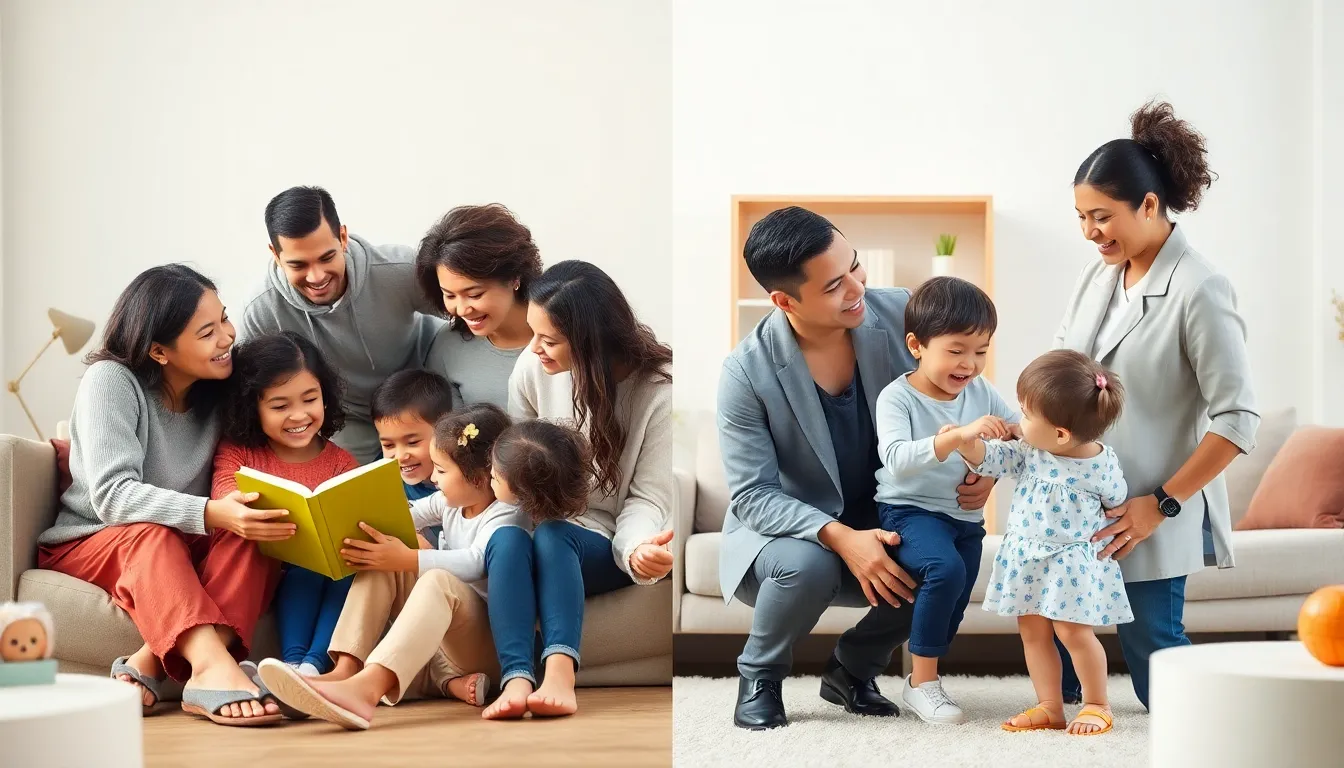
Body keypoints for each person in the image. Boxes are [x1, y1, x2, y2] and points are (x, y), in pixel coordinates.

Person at [716, 206, 995, 730]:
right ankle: (760, 675)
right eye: (834, 285)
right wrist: (841, 537)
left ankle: (853, 669)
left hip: (892, 515)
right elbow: (753, 496)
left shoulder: (903, 314)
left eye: (855, 265)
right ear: (784, 301)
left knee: (942, 561)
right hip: (789, 540)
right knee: (810, 564)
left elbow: (968, 394)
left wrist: (988, 471)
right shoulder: (746, 372)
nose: (857, 288)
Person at [1054, 101, 1259, 709]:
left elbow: (1237, 419)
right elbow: (1061, 375)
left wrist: (1161, 504)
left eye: (1102, 217)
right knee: (1057, 655)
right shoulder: (1097, 276)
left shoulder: (1200, 287)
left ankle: (1229, 728)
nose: (1090, 232)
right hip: (1074, 501)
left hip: (1147, 506)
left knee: (1157, 668)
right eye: (1081, 217)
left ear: (1148, 205)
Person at [36, 265, 291, 726]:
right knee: (154, 535)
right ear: (159, 351)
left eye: (224, 319)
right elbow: (113, 496)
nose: (228, 337)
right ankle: (212, 666)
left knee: (256, 534)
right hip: (95, 538)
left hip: (181, 542)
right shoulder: (111, 380)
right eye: (207, 333)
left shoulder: (221, 387)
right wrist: (212, 513)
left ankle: (150, 662)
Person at [483, 260, 674, 720]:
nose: (533, 349)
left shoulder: (659, 390)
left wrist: (637, 551)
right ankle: (516, 679)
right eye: (533, 333)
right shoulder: (532, 369)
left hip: (603, 539)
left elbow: (648, 498)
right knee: (507, 538)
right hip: (541, 526)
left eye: (548, 340)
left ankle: (559, 675)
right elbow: (519, 471)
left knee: (555, 534)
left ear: (591, 341)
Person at [258, 405, 526, 730]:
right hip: (449, 639)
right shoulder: (452, 503)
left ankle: (365, 690)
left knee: (437, 580)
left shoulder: (506, 513)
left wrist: (408, 558)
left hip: (488, 646)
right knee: (381, 562)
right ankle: (345, 671)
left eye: (441, 470)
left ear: (479, 478)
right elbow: (405, 514)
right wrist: (346, 523)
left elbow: (476, 562)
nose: (432, 478)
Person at [960, 350, 1132, 736]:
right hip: (1027, 557)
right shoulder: (1031, 450)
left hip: (1069, 563)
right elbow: (992, 459)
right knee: (1032, 632)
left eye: (1025, 414)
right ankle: (1050, 706)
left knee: (1073, 633)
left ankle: (1097, 704)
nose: (1017, 421)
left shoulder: (1101, 465)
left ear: (1060, 435)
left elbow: (1117, 502)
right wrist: (964, 441)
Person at [873, 276, 1017, 725]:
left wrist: (990, 473)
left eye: (981, 351)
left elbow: (1016, 439)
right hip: (909, 511)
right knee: (944, 569)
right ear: (916, 345)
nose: (969, 364)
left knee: (956, 593)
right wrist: (957, 437)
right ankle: (923, 683)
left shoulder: (982, 391)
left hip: (964, 518)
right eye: (956, 351)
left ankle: (920, 678)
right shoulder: (897, 397)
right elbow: (896, 461)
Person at [239, 185, 442, 463]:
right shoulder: (261, 310)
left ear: (343, 238)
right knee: (349, 484)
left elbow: (467, 308)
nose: (316, 277)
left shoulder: (399, 268)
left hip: (425, 391)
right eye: (298, 265)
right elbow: (249, 393)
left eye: (326, 258)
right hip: (350, 417)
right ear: (275, 254)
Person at [213, 332, 359, 679]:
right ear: (253, 408)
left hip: (333, 569)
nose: (298, 415)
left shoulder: (341, 462)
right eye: (280, 406)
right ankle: (293, 662)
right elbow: (224, 491)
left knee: (348, 570)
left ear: (325, 396)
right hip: (269, 569)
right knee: (304, 570)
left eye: (310, 399)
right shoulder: (239, 453)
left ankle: (311, 667)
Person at [419, 204, 542, 409]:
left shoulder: (565, 334)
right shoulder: (447, 347)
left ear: (514, 278)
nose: (461, 309)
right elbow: (446, 426)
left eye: (474, 295)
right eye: (449, 295)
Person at [371, 369, 458, 543]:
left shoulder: (466, 481)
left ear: (446, 429)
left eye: (412, 442)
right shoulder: (382, 480)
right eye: (388, 445)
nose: (400, 456)